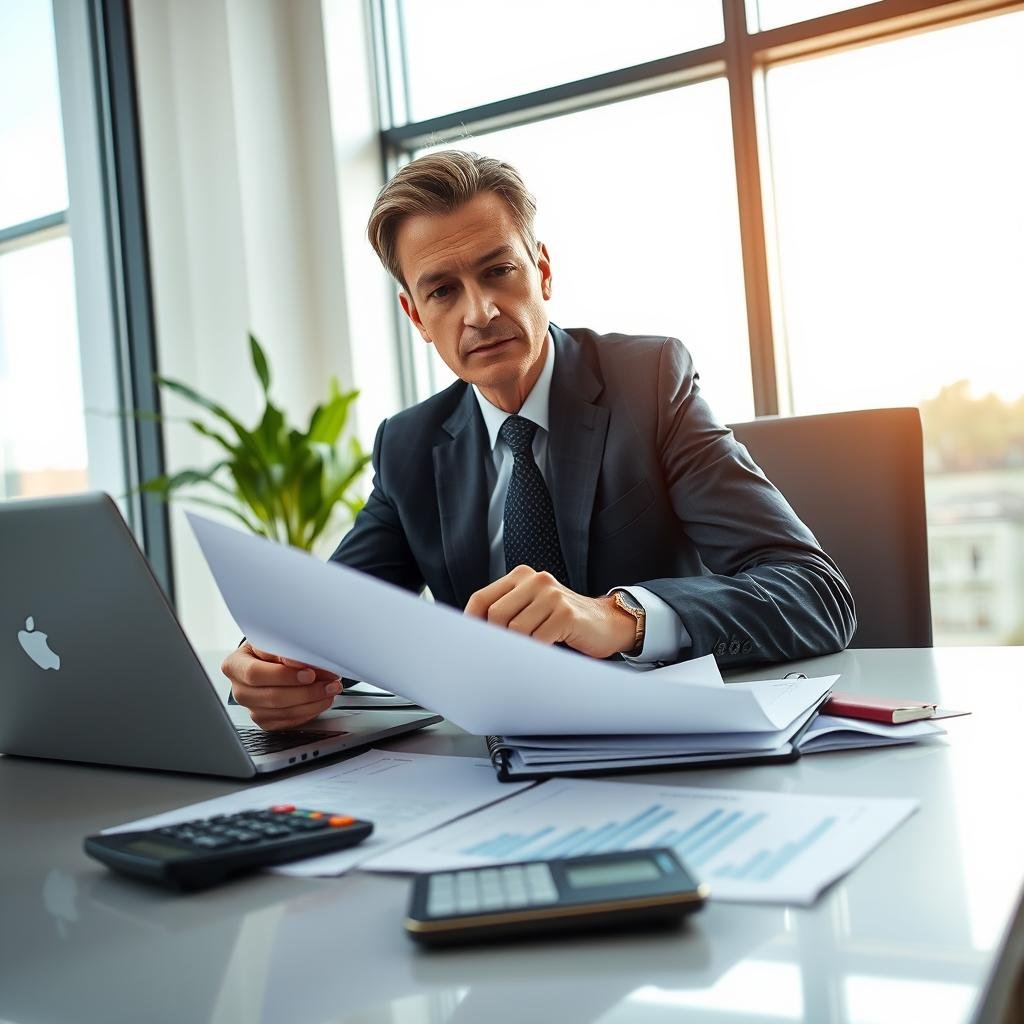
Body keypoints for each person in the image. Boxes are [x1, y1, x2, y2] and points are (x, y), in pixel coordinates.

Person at [223, 151, 855, 731]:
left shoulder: (649, 382)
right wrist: (279, 669)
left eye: (499, 271)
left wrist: (617, 616)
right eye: (442, 290)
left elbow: (813, 592)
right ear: (416, 315)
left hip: (666, 741)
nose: (480, 312)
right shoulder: (408, 446)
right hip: (494, 762)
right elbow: (338, 624)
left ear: (542, 271)